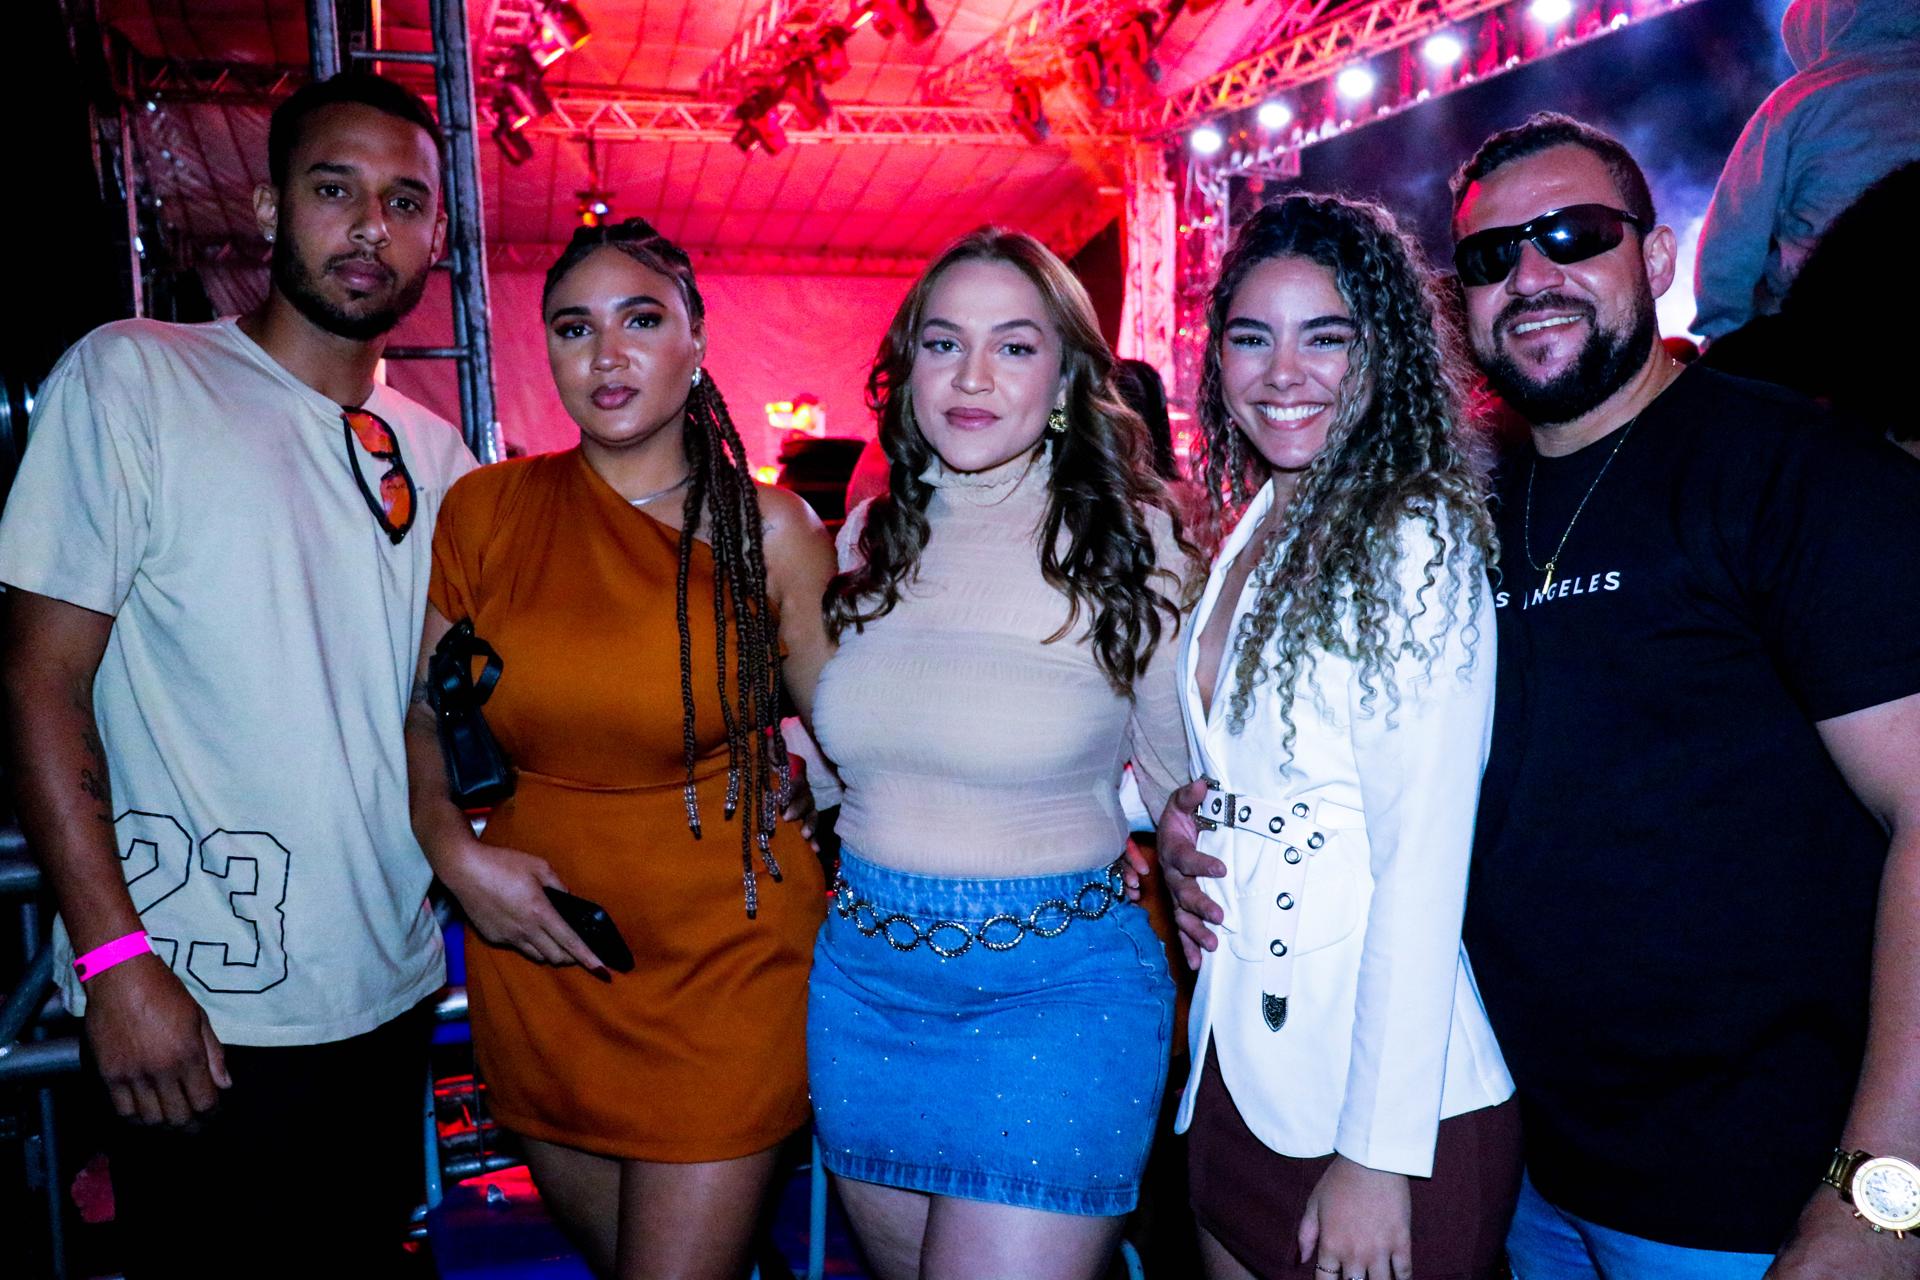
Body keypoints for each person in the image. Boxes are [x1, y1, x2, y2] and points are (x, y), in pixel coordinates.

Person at [0, 73, 474, 1276]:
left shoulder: (441, 456)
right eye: (335, 190)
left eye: (404, 202)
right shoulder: (135, 378)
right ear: (269, 209)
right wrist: (113, 963)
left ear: (436, 233)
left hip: (390, 990)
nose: (369, 227)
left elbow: (445, 709)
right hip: (199, 1012)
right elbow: (40, 682)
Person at [1442, 113, 1920, 1277]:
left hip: (1759, 1202)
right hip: (1527, 1175)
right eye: (1493, 255)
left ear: (1655, 258)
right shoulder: (1463, 505)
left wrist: (1883, 1197)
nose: (1532, 275)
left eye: (1574, 234)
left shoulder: (1798, 471)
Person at [404, 218, 835, 1280]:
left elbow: (856, 737)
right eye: (573, 327)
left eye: (641, 320)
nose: (607, 354)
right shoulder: (486, 511)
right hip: (543, 953)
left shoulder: (773, 532)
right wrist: (453, 853)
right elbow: (425, 713)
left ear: (697, 339)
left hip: (729, 962)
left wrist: (815, 784)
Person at [806, 226, 1195, 1280]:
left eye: (1014, 346)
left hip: (1058, 997)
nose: (972, 376)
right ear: (908, 369)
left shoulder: (1134, 545)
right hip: (866, 989)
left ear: (1065, 379)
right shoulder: (865, 541)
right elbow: (837, 774)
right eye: (944, 343)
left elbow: (1184, 793)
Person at [1155, 194, 1519, 1280]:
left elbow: (1422, 861)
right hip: (1234, 1067)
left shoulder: (1414, 532)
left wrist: (1375, 1154)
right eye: (1251, 337)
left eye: (1326, 337)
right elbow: (1260, 761)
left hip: (1384, 1109)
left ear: (1384, 352)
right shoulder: (1259, 520)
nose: (1284, 373)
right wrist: (1175, 814)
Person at [1691, 0, 1920, 341]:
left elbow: (1734, 235)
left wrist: (1721, 334)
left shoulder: (1795, 105)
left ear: (1818, 26)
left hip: (1822, 324)